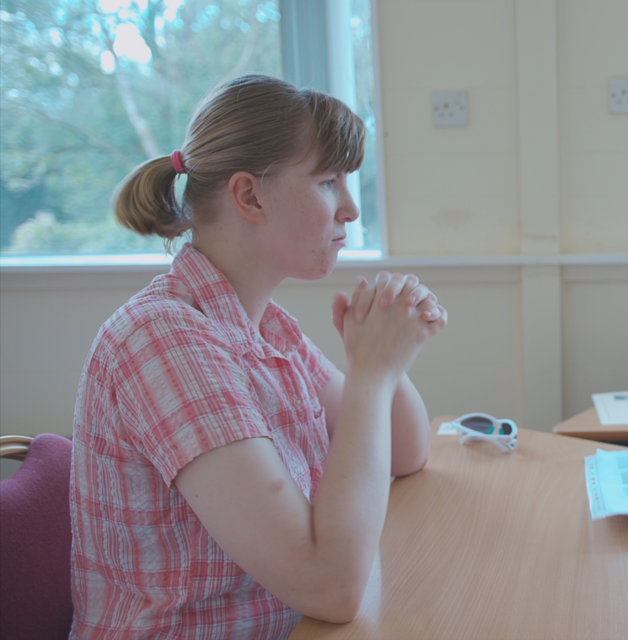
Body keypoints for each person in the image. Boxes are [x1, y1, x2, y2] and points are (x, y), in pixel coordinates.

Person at [69, 74, 447, 638]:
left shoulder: (265, 324)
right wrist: (371, 374)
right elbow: (331, 587)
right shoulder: (165, 340)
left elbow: (405, 453)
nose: (349, 208)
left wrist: (387, 358)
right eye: (327, 182)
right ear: (248, 195)